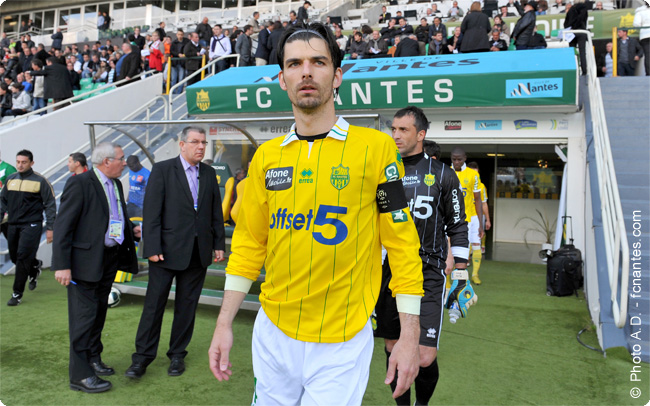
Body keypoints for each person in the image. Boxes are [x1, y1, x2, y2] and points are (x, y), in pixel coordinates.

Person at [207, 22, 424, 405]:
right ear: (282, 79)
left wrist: (409, 333)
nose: (306, 72)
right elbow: (249, 244)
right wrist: (224, 322)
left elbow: (402, 245)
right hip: (273, 332)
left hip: (343, 340)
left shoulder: (376, 148)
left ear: (337, 76)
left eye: (318, 62)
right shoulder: (267, 157)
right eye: (294, 64)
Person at [375, 106, 473, 406]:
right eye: (393, 129)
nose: (395, 135)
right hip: (389, 270)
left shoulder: (443, 174)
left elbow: (457, 224)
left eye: (403, 130)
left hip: (429, 270)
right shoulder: (382, 172)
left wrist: (460, 273)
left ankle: (422, 404)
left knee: (425, 355)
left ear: (421, 134)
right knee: (394, 346)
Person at [126, 126, 226, 379]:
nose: (201, 147)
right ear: (182, 145)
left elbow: (215, 211)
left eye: (203, 142)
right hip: (165, 253)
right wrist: (152, 247)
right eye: (195, 142)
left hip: (198, 253)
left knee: (187, 307)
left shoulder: (209, 173)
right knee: (154, 306)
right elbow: (151, 212)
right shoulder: (162, 169)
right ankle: (142, 358)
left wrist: (218, 244)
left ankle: (177, 355)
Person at [53, 142, 140, 393]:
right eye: (121, 158)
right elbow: (63, 225)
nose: (125, 162)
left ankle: (93, 358)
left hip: (108, 259)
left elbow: (113, 215)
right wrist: (62, 265)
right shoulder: (80, 183)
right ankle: (80, 376)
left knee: (98, 313)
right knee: (83, 318)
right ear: (106, 161)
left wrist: (130, 230)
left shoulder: (116, 183)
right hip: (83, 264)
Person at [1, 149, 55, 306]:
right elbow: (2, 201)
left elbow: (50, 204)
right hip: (13, 224)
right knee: (14, 257)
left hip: (32, 224)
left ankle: (17, 294)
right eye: (18, 162)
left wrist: (51, 228)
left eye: (24, 162)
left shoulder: (40, 181)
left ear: (31, 163)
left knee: (23, 256)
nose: (20, 165)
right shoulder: (11, 179)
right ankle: (34, 268)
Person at [450, 147, 484, 285]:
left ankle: (475, 274)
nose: (456, 162)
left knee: (475, 245)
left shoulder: (473, 175)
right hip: (453, 218)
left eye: (459, 159)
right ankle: (450, 278)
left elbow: (478, 199)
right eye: (454, 159)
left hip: (471, 217)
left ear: (464, 158)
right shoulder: (446, 172)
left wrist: (481, 223)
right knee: (452, 248)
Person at [467, 162, 491, 255]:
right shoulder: (460, 183)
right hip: (464, 216)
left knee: (476, 243)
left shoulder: (481, 187)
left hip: (476, 217)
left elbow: (484, 204)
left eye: (476, 174)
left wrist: (487, 220)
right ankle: (465, 260)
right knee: (465, 242)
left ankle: (481, 249)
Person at [563, 0, 589, 75]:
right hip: (581, 31)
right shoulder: (584, 8)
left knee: (572, 53)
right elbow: (582, 19)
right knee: (582, 52)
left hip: (572, 32)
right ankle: (584, 71)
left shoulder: (571, 10)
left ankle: (573, 71)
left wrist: (571, 27)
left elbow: (566, 23)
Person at [633, 4, 650, 76]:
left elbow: (636, 24)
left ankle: (648, 73)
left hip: (645, 35)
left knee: (648, 55)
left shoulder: (640, 11)